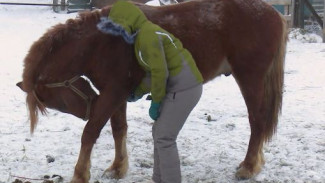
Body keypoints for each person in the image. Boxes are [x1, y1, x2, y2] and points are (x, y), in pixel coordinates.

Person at [97, 1, 203, 182]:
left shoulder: (148, 36)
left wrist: (156, 102)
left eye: (120, 27)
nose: (120, 34)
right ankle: (158, 179)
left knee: (165, 137)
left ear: (128, 20)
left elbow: (160, 73)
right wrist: (137, 92)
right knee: (158, 133)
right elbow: (151, 72)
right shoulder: (142, 37)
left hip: (185, 88)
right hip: (178, 86)